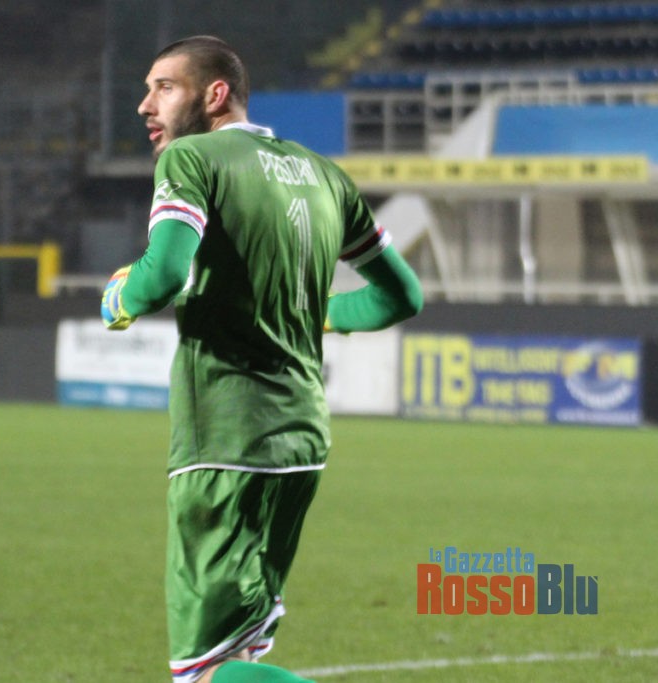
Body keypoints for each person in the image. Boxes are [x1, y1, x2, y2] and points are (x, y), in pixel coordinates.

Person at [100, 35, 423, 683]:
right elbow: (401, 295)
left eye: (164, 87)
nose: (145, 105)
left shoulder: (192, 159)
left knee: (204, 672)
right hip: (301, 438)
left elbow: (163, 276)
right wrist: (322, 313)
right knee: (242, 652)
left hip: (224, 436)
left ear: (215, 93)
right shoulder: (324, 174)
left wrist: (119, 297)